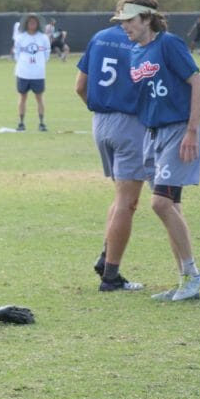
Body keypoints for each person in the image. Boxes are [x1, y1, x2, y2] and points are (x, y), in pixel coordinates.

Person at [112, 0, 200, 302]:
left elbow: (199, 84)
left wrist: (192, 131)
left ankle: (193, 275)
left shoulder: (169, 44)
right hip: (152, 135)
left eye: (129, 20)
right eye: (122, 21)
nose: (124, 26)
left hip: (178, 131)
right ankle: (184, 280)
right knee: (172, 206)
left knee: (160, 203)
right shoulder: (136, 52)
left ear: (147, 18)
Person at [75, 16, 150, 292]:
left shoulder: (99, 37)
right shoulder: (141, 40)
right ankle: (111, 277)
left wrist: (101, 111)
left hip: (100, 121)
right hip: (130, 123)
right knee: (128, 202)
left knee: (121, 198)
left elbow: (79, 87)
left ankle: (106, 257)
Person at [12, 13, 51, 131]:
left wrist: (39, 64)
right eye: (30, 22)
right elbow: (17, 53)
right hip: (23, 73)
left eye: (34, 22)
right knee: (22, 97)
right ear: (26, 24)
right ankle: (21, 123)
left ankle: (41, 122)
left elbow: (47, 53)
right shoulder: (21, 37)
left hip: (38, 73)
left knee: (39, 97)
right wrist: (23, 63)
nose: (32, 24)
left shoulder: (43, 37)